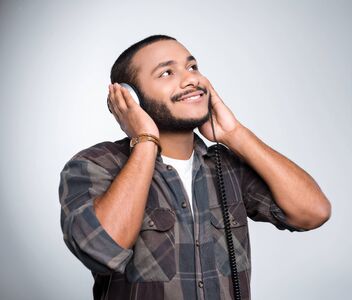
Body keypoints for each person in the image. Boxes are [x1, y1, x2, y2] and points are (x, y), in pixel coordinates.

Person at [58, 34, 331, 300]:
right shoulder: (95, 165)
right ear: (131, 98)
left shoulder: (226, 168)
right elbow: (102, 250)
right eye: (167, 73)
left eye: (192, 67)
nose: (192, 78)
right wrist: (144, 140)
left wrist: (234, 133)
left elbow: (313, 212)